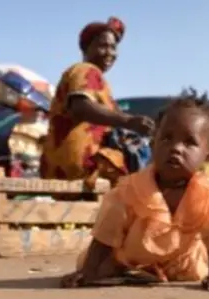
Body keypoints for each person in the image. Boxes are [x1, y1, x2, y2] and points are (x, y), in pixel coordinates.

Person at [60, 89, 209, 291]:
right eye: (166, 138)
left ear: (207, 157)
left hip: (179, 262)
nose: (176, 148)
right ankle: (119, 270)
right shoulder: (130, 191)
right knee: (105, 269)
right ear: (153, 145)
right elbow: (106, 232)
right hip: (128, 259)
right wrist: (88, 271)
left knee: (195, 270)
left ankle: (156, 272)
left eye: (189, 142)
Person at [41, 17, 155, 183]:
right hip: (80, 165)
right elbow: (80, 107)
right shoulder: (86, 70)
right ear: (86, 49)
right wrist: (128, 121)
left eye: (113, 47)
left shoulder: (98, 82)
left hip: (59, 167)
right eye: (103, 46)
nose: (109, 52)